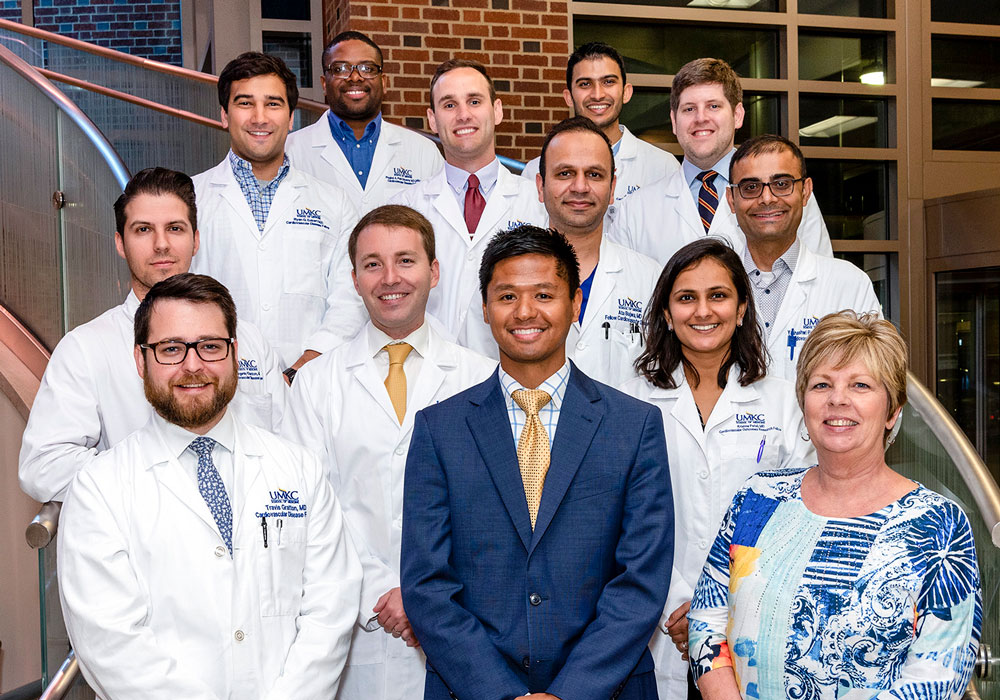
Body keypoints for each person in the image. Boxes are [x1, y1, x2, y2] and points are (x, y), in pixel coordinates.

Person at [57, 273, 362, 699]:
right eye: (171, 349)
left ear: (235, 354)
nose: (193, 364)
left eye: (210, 346)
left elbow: (330, 608)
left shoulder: (298, 469)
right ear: (140, 360)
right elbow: (111, 642)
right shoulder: (99, 490)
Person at [400, 225, 673, 700]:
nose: (525, 311)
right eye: (506, 295)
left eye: (544, 294)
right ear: (485, 309)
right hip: (472, 688)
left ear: (575, 304)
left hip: (606, 688)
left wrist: (572, 692)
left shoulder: (634, 426)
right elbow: (426, 584)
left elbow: (641, 582)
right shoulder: (438, 430)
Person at [688, 311, 982, 699]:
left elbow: (937, 674)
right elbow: (707, 619)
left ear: (893, 411)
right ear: (804, 403)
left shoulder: (938, 526)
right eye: (822, 384)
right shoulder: (757, 498)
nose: (837, 399)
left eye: (860, 385)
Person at [281, 205, 496, 700]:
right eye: (372, 263)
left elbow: (490, 510)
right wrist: (384, 593)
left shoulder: (480, 377)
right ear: (354, 278)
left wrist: (425, 599)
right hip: (355, 624)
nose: (390, 278)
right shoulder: (316, 383)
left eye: (406, 260)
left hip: (459, 621)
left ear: (434, 272)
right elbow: (308, 507)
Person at [620, 238, 816, 700]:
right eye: (686, 298)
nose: (703, 311)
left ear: (743, 307)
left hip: (754, 615)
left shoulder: (783, 400)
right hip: (658, 620)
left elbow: (797, 520)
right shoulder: (628, 399)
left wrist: (718, 608)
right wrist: (679, 605)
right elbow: (619, 518)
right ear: (666, 314)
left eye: (719, 295)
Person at [18, 168, 285, 504]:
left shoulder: (249, 339)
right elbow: (43, 466)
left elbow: (284, 441)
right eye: (143, 230)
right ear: (120, 243)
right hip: (141, 535)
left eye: (175, 228)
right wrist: (162, 476)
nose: (161, 244)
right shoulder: (85, 348)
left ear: (196, 239)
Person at [191, 51, 364, 373]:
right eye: (245, 103)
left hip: (311, 384)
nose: (260, 117)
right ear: (224, 115)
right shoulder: (190, 199)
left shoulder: (334, 203)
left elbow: (351, 299)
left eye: (273, 103)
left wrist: (304, 369)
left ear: (291, 117)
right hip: (215, 381)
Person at [610, 58, 832, 265]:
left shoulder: (787, 195)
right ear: (674, 122)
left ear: (737, 115)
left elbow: (819, 278)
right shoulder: (635, 210)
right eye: (689, 109)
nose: (701, 118)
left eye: (713, 106)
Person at [393, 59, 546, 357]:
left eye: (474, 101)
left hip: (512, 370)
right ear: (432, 120)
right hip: (427, 373)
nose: (463, 115)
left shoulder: (539, 204)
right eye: (449, 105)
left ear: (497, 110)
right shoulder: (405, 208)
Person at [727, 134, 881, 380]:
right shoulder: (713, 286)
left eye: (781, 184)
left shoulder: (849, 284)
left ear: (805, 191)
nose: (767, 198)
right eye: (751, 187)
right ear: (731, 200)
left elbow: (877, 384)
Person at [536, 116, 660, 386]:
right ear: (540, 186)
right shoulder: (505, 276)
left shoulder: (649, 279)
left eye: (594, 174)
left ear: (612, 187)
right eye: (565, 173)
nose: (580, 187)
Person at [286, 31, 444, 214]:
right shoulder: (291, 152)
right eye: (340, 69)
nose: (355, 77)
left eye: (367, 68)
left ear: (384, 83)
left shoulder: (423, 151)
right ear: (324, 84)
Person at [521, 41, 679, 222]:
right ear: (569, 97)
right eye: (585, 84)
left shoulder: (663, 167)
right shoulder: (536, 169)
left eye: (608, 82)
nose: (597, 94)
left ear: (626, 92)